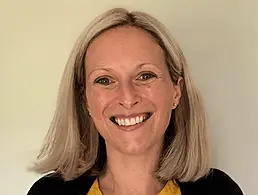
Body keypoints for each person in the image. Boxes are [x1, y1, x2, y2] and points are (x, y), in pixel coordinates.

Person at [27, 8, 243, 195]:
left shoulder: (221, 191)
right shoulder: (47, 193)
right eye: (105, 80)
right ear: (85, 101)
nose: (128, 98)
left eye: (145, 75)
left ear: (176, 91)